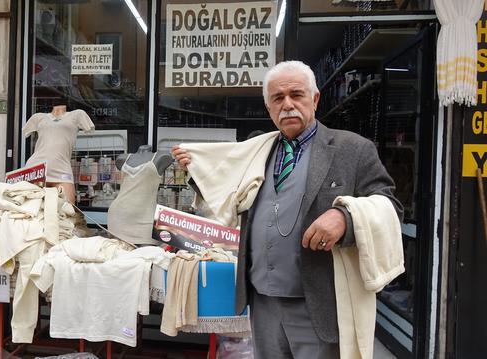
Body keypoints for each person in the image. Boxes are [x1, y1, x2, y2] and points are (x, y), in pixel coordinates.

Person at [172, 61, 403, 358]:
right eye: (278, 98)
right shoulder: (257, 153)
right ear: (269, 107)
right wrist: (198, 170)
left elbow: (391, 209)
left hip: (318, 303)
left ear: (315, 99)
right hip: (263, 304)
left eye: (297, 95)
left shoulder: (352, 149)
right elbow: (227, 194)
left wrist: (345, 217)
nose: (288, 105)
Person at [23, 104, 95, 203]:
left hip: (62, 168)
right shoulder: (38, 117)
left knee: (69, 208)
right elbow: (26, 132)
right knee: (32, 209)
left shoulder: (77, 114)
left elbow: (89, 129)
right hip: (37, 167)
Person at [107, 145, 172, 246]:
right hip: (119, 217)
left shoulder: (162, 157)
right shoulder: (122, 158)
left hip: (146, 218)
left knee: (149, 257)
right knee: (118, 257)